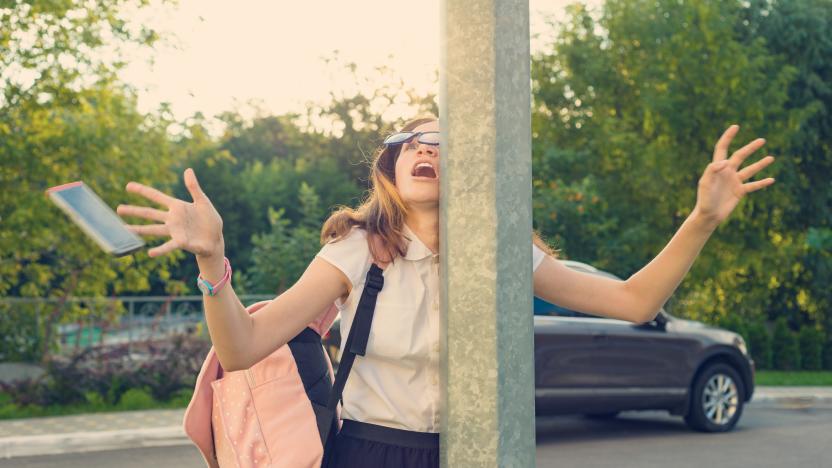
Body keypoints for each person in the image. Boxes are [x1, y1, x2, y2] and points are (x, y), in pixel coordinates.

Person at [117, 117, 775, 467]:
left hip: (476, 454)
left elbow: (633, 302)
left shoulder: (500, 253)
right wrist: (213, 260)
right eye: (414, 143)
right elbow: (243, 348)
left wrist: (704, 218)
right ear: (391, 170)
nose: (429, 148)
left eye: (443, 142)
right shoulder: (355, 248)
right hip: (369, 453)